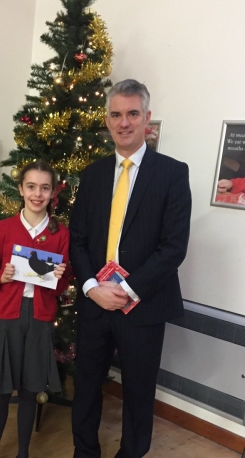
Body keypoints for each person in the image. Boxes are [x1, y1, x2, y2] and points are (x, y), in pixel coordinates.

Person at [69, 79, 191, 458]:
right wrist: (92, 287)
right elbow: (78, 240)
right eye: (116, 114)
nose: (124, 123)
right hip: (95, 302)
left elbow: (173, 248)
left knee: (139, 391)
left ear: (147, 119)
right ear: (107, 120)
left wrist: (127, 291)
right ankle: (85, 452)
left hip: (144, 304)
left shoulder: (171, 173)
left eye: (133, 114)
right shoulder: (92, 175)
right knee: (86, 386)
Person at [0, 160, 69, 458]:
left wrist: (60, 276)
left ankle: (23, 453)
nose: (37, 194)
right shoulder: (5, 229)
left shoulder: (60, 234)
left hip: (40, 318)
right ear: (21, 189)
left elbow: (64, 279)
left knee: (31, 390)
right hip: (6, 317)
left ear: (53, 192)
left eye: (44, 188)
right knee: (2, 391)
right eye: (31, 187)